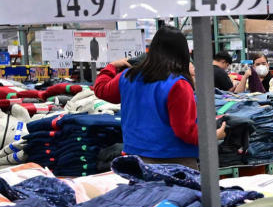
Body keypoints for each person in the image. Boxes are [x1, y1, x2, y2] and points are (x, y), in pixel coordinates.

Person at [93, 27, 223, 169]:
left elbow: (101, 90)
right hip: (173, 162)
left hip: (136, 159)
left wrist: (111, 66)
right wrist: (212, 135)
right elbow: (185, 131)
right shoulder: (178, 84)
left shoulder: (128, 76)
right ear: (183, 53)